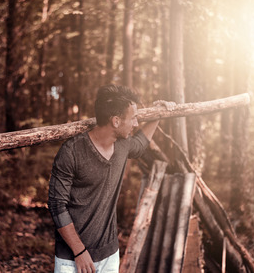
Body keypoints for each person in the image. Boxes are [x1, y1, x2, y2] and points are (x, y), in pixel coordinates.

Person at [48, 84, 172, 273]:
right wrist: (79, 252)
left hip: (109, 255)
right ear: (115, 121)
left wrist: (159, 114)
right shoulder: (71, 152)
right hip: (71, 258)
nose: (136, 123)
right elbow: (57, 205)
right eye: (133, 119)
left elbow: (139, 145)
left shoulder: (122, 145)